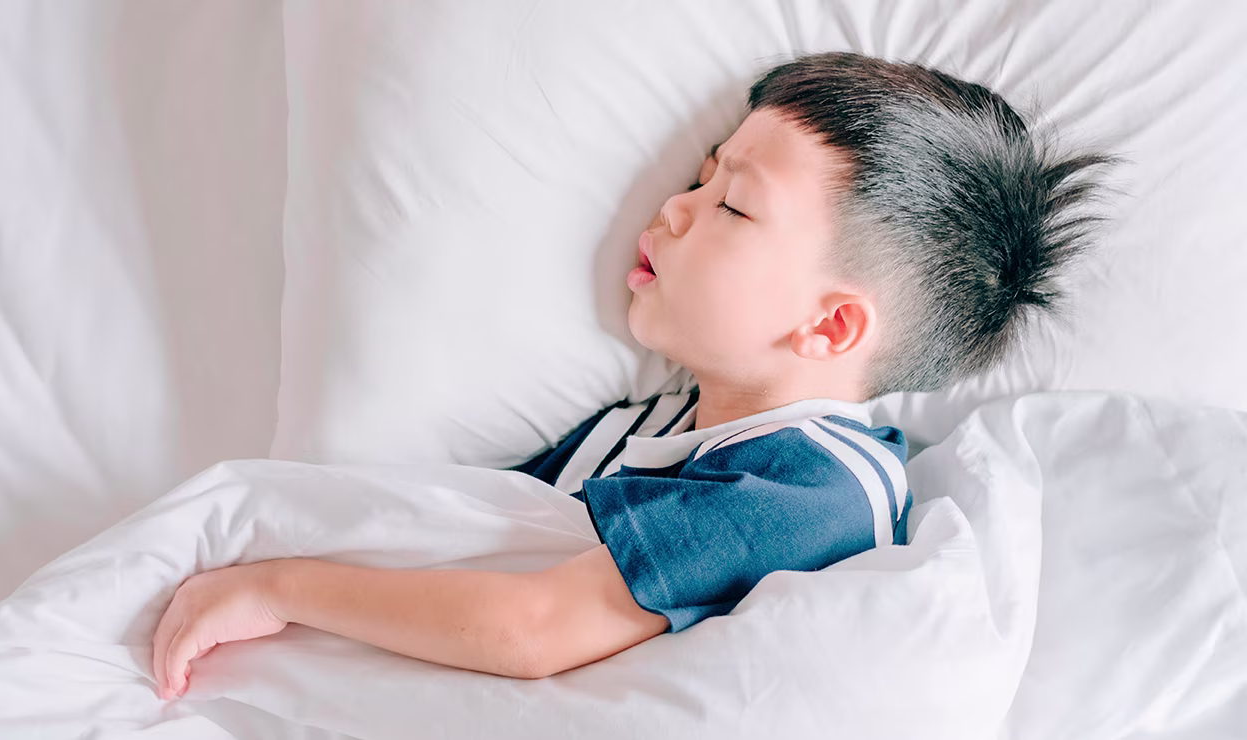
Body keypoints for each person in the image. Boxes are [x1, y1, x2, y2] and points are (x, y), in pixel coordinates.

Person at [151, 51, 1111, 700]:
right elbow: (470, 539)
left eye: (733, 206)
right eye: (698, 179)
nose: (677, 211)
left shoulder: (813, 487)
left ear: (831, 325)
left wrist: (278, 586)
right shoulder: (637, 426)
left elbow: (533, 626)